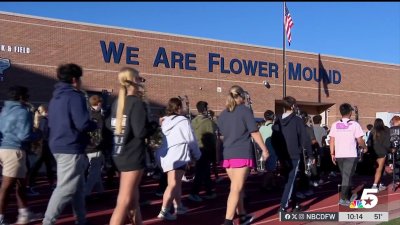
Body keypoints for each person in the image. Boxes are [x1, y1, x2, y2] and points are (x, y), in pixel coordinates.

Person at [42, 63, 97, 225]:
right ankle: (47, 222)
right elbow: (82, 123)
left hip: (58, 145)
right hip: (70, 146)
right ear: (74, 80)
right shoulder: (75, 96)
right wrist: (94, 124)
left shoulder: (55, 98)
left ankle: (81, 220)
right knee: (65, 188)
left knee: (78, 188)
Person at [217, 85, 269, 225]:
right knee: (236, 188)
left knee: (237, 187)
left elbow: (221, 136)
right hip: (241, 153)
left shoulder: (223, 114)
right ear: (240, 96)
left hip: (228, 154)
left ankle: (243, 215)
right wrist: (264, 149)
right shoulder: (244, 111)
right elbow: (254, 132)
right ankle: (228, 221)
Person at [108, 67, 151, 225]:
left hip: (119, 154)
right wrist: (152, 127)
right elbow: (141, 132)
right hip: (132, 156)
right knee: (124, 200)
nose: (141, 81)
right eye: (139, 78)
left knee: (133, 199)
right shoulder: (136, 103)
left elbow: (108, 125)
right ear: (133, 80)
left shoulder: (117, 103)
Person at [0, 86, 42, 225]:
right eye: (26, 95)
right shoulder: (23, 112)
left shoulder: (5, 110)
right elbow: (25, 135)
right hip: (15, 151)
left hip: (4, 149)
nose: (28, 98)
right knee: (7, 186)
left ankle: (24, 213)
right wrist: (39, 134)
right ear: (21, 97)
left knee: (21, 185)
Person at [156, 97, 201, 221]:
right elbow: (191, 139)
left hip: (166, 155)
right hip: (178, 155)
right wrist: (197, 155)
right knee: (173, 183)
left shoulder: (165, 121)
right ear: (179, 108)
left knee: (177, 182)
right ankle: (164, 210)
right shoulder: (183, 121)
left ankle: (178, 205)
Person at [272, 96, 314, 213]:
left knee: (290, 180)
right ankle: (283, 207)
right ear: (292, 106)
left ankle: (295, 204)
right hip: (293, 154)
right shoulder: (297, 120)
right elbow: (305, 139)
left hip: (282, 155)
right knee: (290, 181)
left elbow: (274, 139)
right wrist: (310, 155)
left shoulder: (278, 120)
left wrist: (278, 153)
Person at [329, 103, 367, 206]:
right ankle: (343, 198)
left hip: (339, 154)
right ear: (350, 112)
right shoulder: (354, 124)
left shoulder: (335, 124)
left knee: (346, 176)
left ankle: (348, 194)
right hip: (350, 154)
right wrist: (365, 147)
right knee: (346, 177)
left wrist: (332, 153)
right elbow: (360, 139)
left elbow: (331, 140)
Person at [188, 101, 218, 202]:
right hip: (205, 149)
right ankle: (194, 192)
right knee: (201, 172)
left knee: (205, 171)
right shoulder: (208, 122)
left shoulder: (193, 121)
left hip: (196, 148)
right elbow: (212, 138)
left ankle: (209, 191)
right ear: (205, 109)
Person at [27, 104, 56, 192]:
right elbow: (45, 134)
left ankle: (31, 183)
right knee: (47, 165)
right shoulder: (44, 121)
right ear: (45, 112)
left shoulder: (38, 120)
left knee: (40, 166)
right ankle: (50, 183)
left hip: (40, 146)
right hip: (44, 146)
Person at [85, 95, 105, 197]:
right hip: (95, 147)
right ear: (98, 104)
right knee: (94, 171)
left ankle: (100, 190)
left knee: (95, 170)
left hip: (87, 147)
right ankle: (85, 193)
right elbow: (101, 132)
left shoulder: (87, 114)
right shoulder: (98, 116)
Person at [367, 118, 391, 191]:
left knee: (378, 168)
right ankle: (375, 185)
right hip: (382, 151)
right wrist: (389, 149)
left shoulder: (373, 131)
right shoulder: (386, 130)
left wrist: (369, 150)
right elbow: (387, 141)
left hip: (374, 151)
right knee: (379, 169)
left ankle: (379, 183)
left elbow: (369, 142)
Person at [259, 110, 278, 191]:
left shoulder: (261, 128)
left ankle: (274, 184)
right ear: (273, 117)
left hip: (263, 151)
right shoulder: (275, 128)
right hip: (273, 151)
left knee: (269, 169)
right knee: (270, 170)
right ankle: (264, 185)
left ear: (264, 118)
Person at [389, 116, 400, 190]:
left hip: (392, 149)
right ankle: (397, 180)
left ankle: (396, 180)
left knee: (395, 164)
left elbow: (388, 141)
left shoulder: (389, 130)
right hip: (397, 148)